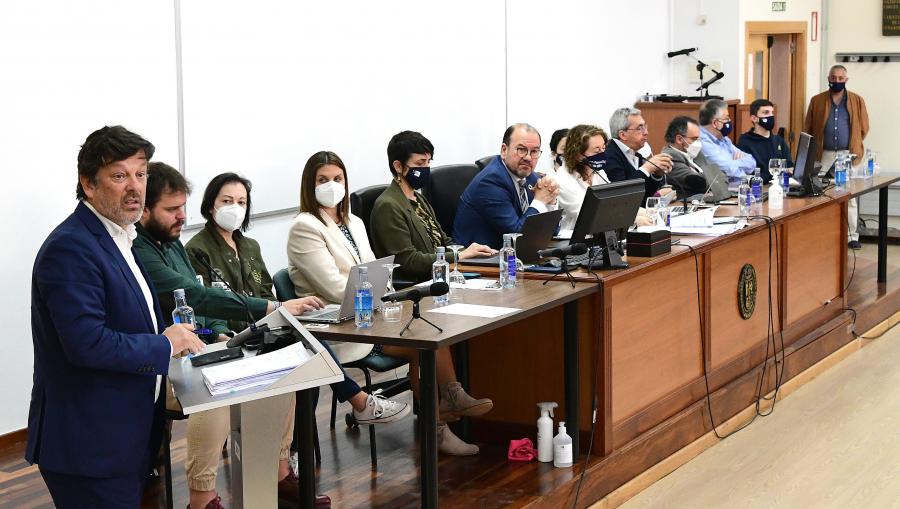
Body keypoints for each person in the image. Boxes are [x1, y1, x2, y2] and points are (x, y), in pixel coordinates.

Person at [139, 164, 405, 508]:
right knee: (212, 389)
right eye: (171, 210)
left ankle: (279, 473)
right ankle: (202, 498)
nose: (181, 217)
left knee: (289, 365)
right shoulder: (149, 249)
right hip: (167, 361)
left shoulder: (183, 243)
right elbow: (196, 296)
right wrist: (255, 315)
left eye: (181, 208)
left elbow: (198, 299)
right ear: (144, 210)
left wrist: (247, 322)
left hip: (207, 341)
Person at [27, 126, 204, 507]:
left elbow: (129, 321)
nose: (135, 187)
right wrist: (163, 344)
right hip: (88, 444)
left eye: (141, 174)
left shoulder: (119, 237)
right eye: (119, 175)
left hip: (124, 435)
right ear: (88, 184)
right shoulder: (71, 248)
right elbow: (87, 344)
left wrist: (168, 335)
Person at [299, 149, 494, 456]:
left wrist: (385, 293)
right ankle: (443, 417)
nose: (331, 185)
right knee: (424, 340)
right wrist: (382, 293)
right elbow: (334, 287)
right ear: (309, 186)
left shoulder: (353, 221)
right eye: (323, 180)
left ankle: (445, 410)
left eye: (338, 179)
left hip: (372, 312)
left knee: (431, 333)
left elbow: (378, 268)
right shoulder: (305, 226)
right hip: (341, 326)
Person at [370, 131, 496, 282]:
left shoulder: (419, 199)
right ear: (398, 166)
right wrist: (458, 255)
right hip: (417, 285)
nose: (426, 168)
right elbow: (408, 261)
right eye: (419, 163)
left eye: (428, 162)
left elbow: (443, 241)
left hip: (439, 277)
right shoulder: (388, 206)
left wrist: (472, 251)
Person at [453, 123, 561, 249]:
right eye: (521, 149)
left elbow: (552, 232)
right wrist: (540, 201)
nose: (528, 157)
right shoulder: (490, 182)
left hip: (513, 257)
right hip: (477, 261)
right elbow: (518, 237)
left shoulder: (531, 177)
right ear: (504, 150)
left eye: (534, 151)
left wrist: (550, 201)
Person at [804, 64, 870, 249]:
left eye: (841, 78)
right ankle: (820, 232)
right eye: (834, 78)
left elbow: (864, 127)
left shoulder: (857, 100)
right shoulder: (817, 100)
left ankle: (851, 236)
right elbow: (808, 126)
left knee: (848, 195)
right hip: (823, 153)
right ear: (828, 78)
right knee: (818, 193)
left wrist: (853, 144)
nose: (837, 81)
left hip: (846, 154)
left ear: (846, 80)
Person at [604, 107, 674, 199]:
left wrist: (656, 175)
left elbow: (643, 196)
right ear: (623, 135)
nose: (646, 132)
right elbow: (621, 195)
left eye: (645, 127)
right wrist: (646, 168)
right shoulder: (608, 156)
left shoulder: (636, 154)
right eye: (640, 128)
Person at [698, 99, 756, 186]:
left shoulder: (723, 138)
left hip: (737, 188)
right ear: (715, 123)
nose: (729, 121)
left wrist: (733, 162)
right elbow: (729, 169)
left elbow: (751, 162)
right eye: (726, 118)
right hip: (723, 192)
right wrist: (737, 163)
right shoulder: (702, 142)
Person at [660, 116, 721, 199]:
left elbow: (719, 175)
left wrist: (714, 176)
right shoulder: (669, 157)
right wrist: (713, 176)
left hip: (708, 201)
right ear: (679, 139)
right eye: (694, 139)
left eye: (698, 139)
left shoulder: (695, 153)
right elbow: (699, 183)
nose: (698, 143)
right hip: (686, 205)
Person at [737, 99, 794, 183]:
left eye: (772, 112)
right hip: (759, 189)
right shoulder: (745, 142)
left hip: (780, 188)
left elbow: (789, 167)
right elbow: (749, 174)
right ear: (754, 118)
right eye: (766, 112)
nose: (771, 116)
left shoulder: (778, 140)